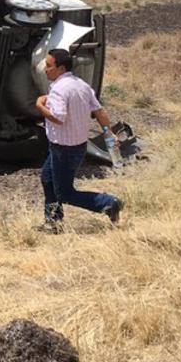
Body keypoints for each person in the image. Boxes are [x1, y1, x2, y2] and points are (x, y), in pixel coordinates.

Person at [35, 48, 124, 232]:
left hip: (63, 148)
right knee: (47, 178)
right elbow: (99, 110)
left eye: (49, 66)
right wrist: (107, 132)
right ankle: (53, 223)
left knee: (65, 193)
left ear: (60, 68)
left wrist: (39, 105)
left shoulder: (59, 89)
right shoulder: (81, 85)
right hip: (76, 146)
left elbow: (58, 117)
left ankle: (108, 203)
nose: (46, 69)